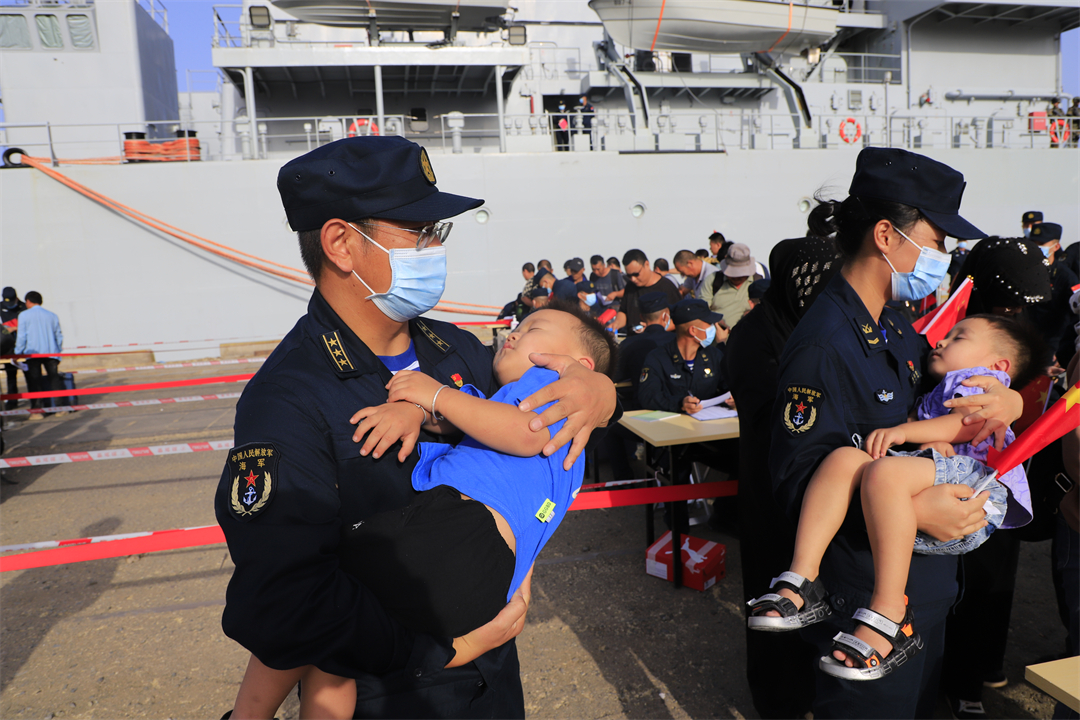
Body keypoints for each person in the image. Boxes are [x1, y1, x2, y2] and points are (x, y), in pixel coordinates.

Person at [216, 136, 617, 720]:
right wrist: (446, 652)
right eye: (418, 231)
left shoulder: (458, 350)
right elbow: (290, 598)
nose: (435, 248)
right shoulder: (289, 398)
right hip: (393, 694)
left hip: (494, 691)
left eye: (437, 231)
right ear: (342, 244)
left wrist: (600, 394)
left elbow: (535, 429)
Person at [230, 302, 618, 720]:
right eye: (519, 327)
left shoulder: (493, 361)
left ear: (579, 364)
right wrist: (420, 409)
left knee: (315, 630)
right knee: (323, 644)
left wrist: (603, 394)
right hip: (456, 604)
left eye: (533, 329)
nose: (514, 334)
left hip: (456, 547)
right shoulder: (291, 386)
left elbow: (523, 430)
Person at [769, 147, 1024, 718]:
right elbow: (797, 479)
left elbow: (947, 399)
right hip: (865, 596)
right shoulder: (825, 343)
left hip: (920, 584)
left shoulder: (894, 323)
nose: (942, 257)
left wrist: (1004, 399)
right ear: (886, 235)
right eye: (936, 242)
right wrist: (917, 509)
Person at [750, 315, 1046, 679]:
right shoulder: (945, 379)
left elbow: (965, 423)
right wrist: (928, 440)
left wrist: (905, 431)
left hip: (975, 486)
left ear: (999, 365)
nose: (941, 341)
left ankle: (890, 611)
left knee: (883, 472)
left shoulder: (979, 381)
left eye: (959, 337)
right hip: (946, 475)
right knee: (844, 459)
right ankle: (802, 577)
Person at [724, 233, 843, 719]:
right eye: (809, 281)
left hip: (823, 487)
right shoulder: (754, 335)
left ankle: (816, 688)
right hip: (771, 488)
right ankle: (779, 703)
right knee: (774, 590)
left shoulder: (824, 326)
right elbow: (770, 413)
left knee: (819, 592)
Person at [637, 298, 728, 415]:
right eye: (709, 324)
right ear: (693, 330)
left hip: (711, 420)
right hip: (672, 423)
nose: (713, 327)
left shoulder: (714, 356)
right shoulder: (658, 358)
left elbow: (727, 386)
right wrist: (680, 403)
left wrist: (732, 398)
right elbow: (648, 396)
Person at [1029, 223, 1080, 366]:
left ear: (1056, 247)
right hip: (1028, 338)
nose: (1036, 247)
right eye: (1033, 243)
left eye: (1041, 244)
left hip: (1053, 343)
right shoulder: (1026, 273)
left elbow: (1075, 314)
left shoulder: (1066, 277)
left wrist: (1062, 348)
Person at [615, 292, 672, 403]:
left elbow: (617, 375)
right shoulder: (675, 340)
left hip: (641, 402)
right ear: (666, 315)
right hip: (677, 402)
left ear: (641, 317)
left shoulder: (629, 343)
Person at [14, 291, 64, 416]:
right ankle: (60, 408)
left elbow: (21, 336)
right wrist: (58, 350)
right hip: (51, 352)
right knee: (54, 379)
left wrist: (17, 353)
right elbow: (58, 335)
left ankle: (37, 411)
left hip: (33, 353)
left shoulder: (24, 315)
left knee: (35, 381)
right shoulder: (52, 315)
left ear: (28, 302)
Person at [615, 249, 682, 331]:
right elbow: (623, 311)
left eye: (636, 274)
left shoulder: (667, 287)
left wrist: (652, 329)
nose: (633, 279)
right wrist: (616, 324)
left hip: (659, 338)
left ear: (647, 264)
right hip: (634, 337)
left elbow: (680, 319)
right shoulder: (630, 286)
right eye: (629, 276)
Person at [709, 243, 759, 328]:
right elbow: (702, 311)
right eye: (733, 274)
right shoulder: (713, 280)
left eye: (741, 275)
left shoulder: (758, 282)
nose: (737, 277)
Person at [1, 287, 27, 410]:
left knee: (30, 374)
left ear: (16, 298)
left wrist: (16, 328)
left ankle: (36, 401)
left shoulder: (24, 307)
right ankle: (12, 401)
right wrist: (6, 329)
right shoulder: (1, 307)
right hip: (8, 347)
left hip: (24, 347)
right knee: (11, 375)